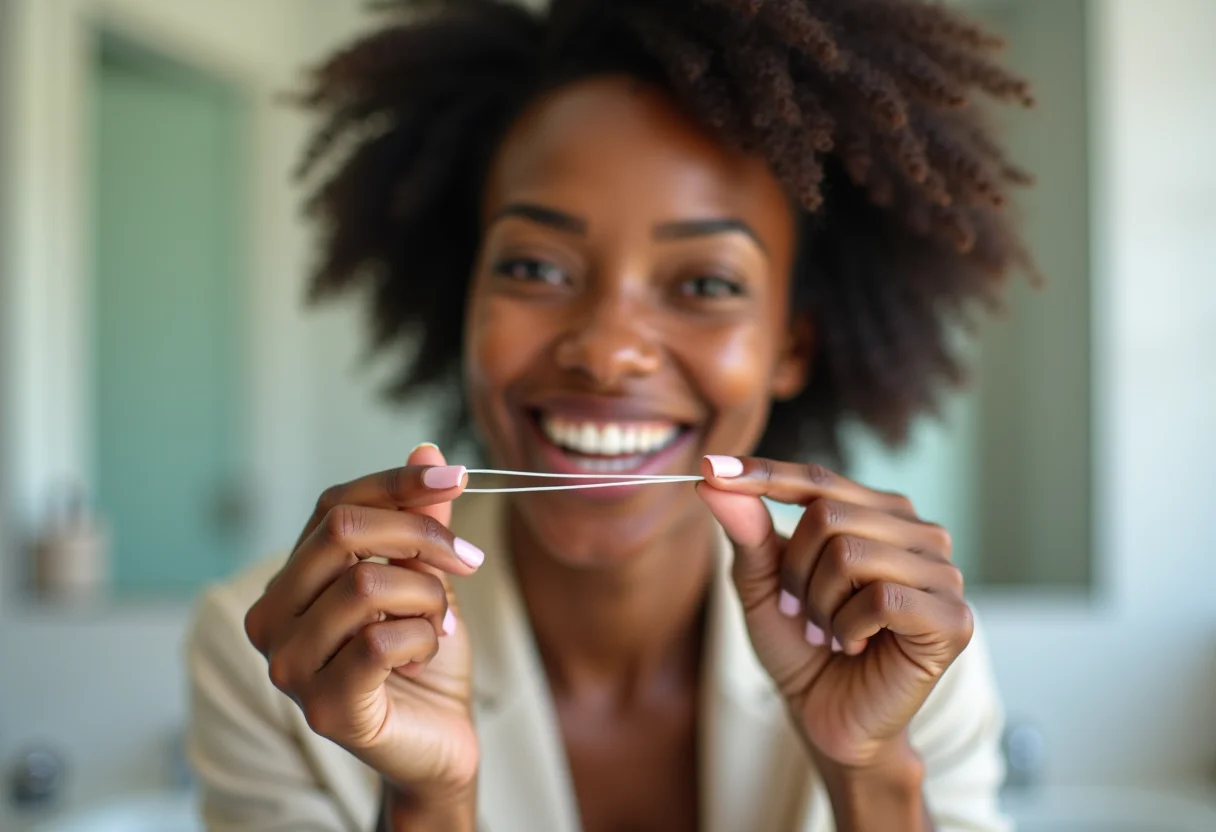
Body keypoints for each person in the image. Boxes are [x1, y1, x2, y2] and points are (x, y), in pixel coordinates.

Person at [186, 0, 1036, 829]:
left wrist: (875, 776)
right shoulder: (273, 654)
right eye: (536, 268)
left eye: (705, 284)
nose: (606, 349)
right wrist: (428, 802)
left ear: (791, 347)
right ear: (465, 295)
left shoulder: (905, 650)